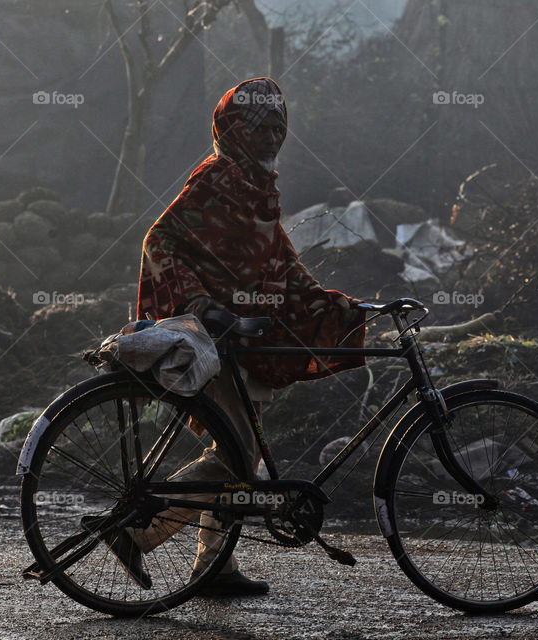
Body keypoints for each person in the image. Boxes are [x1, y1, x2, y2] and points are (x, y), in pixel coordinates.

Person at [94, 78, 368, 597]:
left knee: (238, 448)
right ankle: (133, 530)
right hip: (212, 337)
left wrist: (335, 305)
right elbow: (161, 239)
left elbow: (281, 264)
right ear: (232, 129)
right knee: (240, 453)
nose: (270, 136)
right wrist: (197, 301)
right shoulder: (217, 181)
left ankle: (213, 566)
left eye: (277, 126)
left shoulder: (259, 187)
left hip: (242, 337)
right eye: (258, 126)